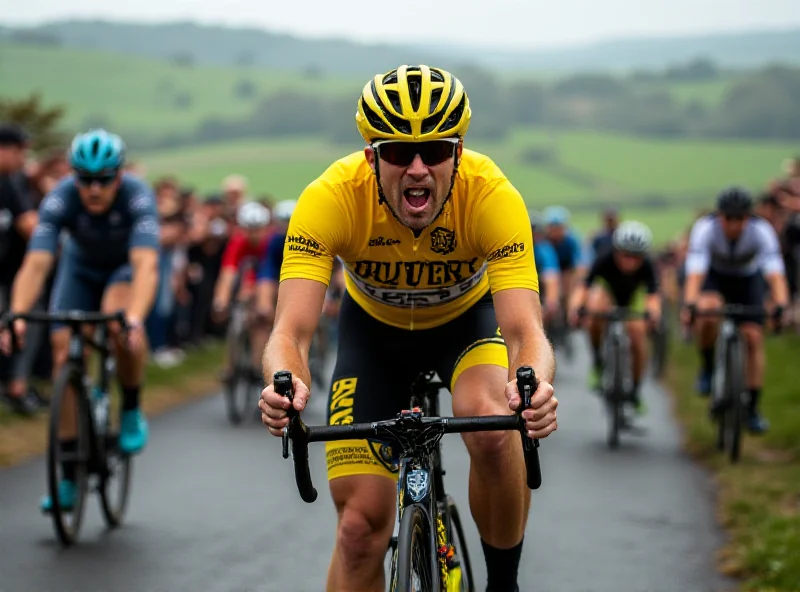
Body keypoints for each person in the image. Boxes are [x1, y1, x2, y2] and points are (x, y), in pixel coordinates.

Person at [258, 64, 557, 592]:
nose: (418, 168)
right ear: (372, 157)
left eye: (436, 151)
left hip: (465, 326)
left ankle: (503, 584)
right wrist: (285, 382)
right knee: (357, 532)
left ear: (458, 154)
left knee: (491, 425)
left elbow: (524, 330)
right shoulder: (331, 197)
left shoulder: (491, 196)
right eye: (398, 153)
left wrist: (531, 382)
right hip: (372, 338)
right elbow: (291, 331)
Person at [5, 129, 160, 511]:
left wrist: (136, 319)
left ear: (118, 176)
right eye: (85, 179)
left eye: (103, 179)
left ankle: (130, 409)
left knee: (118, 324)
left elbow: (146, 264)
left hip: (123, 269)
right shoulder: (60, 197)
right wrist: (18, 314)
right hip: (80, 270)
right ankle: (69, 476)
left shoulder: (138, 196)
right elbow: (37, 262)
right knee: (62, 356)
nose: (93, 189)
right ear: (74, 176)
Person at [681, 187, 789, 433]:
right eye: (729, 218)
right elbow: (696, 272)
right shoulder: (705, 229)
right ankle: (707, 368)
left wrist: (781, 304)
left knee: (753, 338)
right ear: (719, 216)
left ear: (747, 218)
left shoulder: (762, 231)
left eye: (740, 218)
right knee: (708, 310)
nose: (734, 224)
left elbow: (774, 272)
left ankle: (752, 408)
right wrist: (690, 304)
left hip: (747, 280)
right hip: (715, 277)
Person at [568, 221, 661, 409]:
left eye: (636, 256)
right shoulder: (605, 259)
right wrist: (577, 307)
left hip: (631, 300)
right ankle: (597, 360)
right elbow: (584, 287)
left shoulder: (647, 266)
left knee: (637, 334)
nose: (630, 262)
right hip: (608, 297)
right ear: (617, 250)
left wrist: (653, 314)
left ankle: (635, 388)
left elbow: (653, 297)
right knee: (595, 309)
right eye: (626, 255)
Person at [0, 123, 41, 415]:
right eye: (18, 152)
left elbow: (30, 225)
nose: (22, 158)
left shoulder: (10, 183)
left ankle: (16, 386)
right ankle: (16, 386)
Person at [213, 201, 271, 381]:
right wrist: (220, 300)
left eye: (257, 229)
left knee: (261, 320)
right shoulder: (238, 241)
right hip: (247, 284)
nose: (253, 234)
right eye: (249, 229)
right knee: (236, 322)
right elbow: (227, 273)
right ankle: (230, 366)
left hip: (268, 283)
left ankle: (257, 365)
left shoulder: (271, 242)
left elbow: (268, 275)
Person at [542, 205, 587, 300]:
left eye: (558, 228)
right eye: (552, 228)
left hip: (567, 267)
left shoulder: (571, 241)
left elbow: (580, 263)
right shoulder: (543, 241)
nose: (555, 232)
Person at [528, 209, 560, 323]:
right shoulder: (518, 248)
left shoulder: (544, 249)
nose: (534, 237)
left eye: (537, 233)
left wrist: (550, 303)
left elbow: (550, 277)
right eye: (531, 232)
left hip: (540, 283)